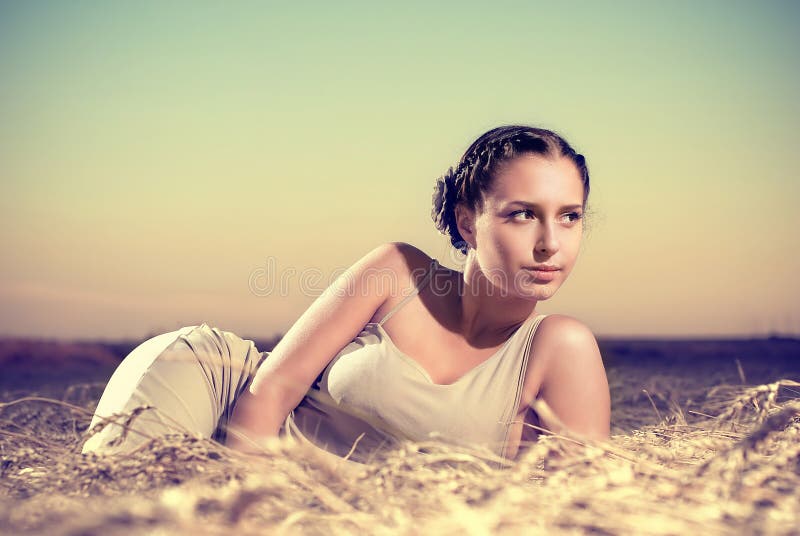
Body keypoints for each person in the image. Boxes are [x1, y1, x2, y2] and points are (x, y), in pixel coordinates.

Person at [81, 125, 611, 470]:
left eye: (570, 216)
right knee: (118, 499)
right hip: (218, 392)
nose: (550, 243)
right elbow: (272, 387)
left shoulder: (560, 349)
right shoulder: (396, 272)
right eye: (523, 213)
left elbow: (569, 507)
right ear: (467, 221)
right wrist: (241, 509)